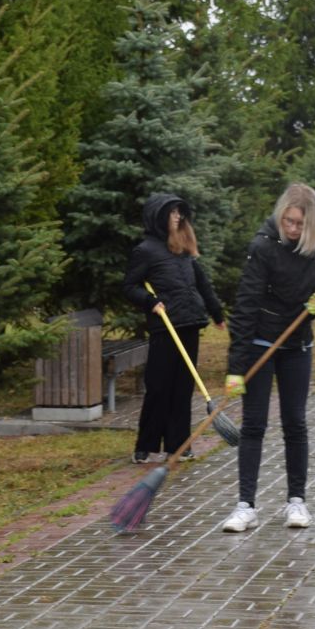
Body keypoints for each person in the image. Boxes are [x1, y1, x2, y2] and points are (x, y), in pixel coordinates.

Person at [219, 183, 315, 533]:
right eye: (288, 221)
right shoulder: (262, 247)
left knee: (295, 423)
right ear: (280, 215)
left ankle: (296, 502)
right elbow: (246, 304)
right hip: (260, 343)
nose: (293, 229)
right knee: (254, 425)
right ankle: (245, 506)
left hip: (297, 344)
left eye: (300, 224)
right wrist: (236, 368)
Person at [122, 193, 225, 464]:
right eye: (173, 212)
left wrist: (216, 312)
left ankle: (179, 445)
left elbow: (202, 284)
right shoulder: (145, 251)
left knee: (182, 388)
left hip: (190, 324)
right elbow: (129, 286)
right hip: (165, 328)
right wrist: (150, 301)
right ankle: (145, 445)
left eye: (181, 212)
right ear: (159, 216)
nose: (178, 216)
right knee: (158, 387)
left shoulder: (182, 250)